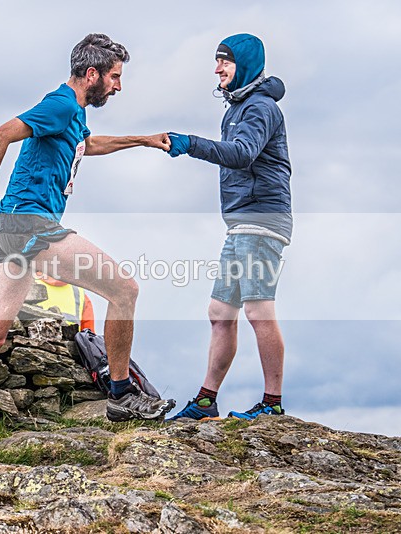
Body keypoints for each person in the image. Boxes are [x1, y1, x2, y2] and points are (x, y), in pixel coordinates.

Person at [0, 33, 176, 477]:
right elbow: (0, 134)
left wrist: (142, 140)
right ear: (92, 74)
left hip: (11, 234)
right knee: (124, 289)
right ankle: (122, 395)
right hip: (30, 225)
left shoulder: (73, 116)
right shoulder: (61, 104)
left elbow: (89, 144)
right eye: (115, 77)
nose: (118, 87)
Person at [165, 33, 292, 422]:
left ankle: (272, 406)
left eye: (226, 61)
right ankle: (206, 402)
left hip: (262, 219)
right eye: (217, 61)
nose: (217, 68)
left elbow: (240, 155)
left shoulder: (260, 108)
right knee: (220, 312)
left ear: (247, 65)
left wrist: (189, 143)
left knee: (258, 311)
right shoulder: (236, 108)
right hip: (241, 223)